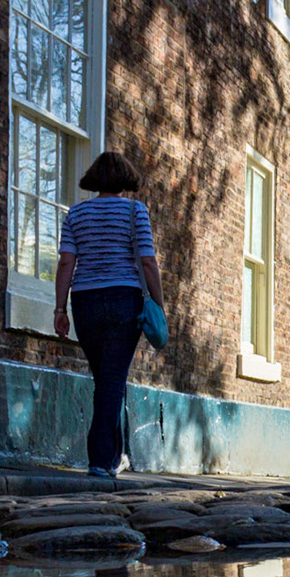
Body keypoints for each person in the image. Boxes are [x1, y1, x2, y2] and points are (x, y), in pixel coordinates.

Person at [53, 151, 165, 478]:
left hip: (84, 301)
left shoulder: (75, 214)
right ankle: (101, 460)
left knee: (104, 379)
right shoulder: (135, 211)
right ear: (124, 180)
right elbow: (148, 262)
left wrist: (60, 309)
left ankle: (114, 455)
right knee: (112, 380)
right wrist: (159, 303)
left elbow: (65, 263)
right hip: (123, 299)